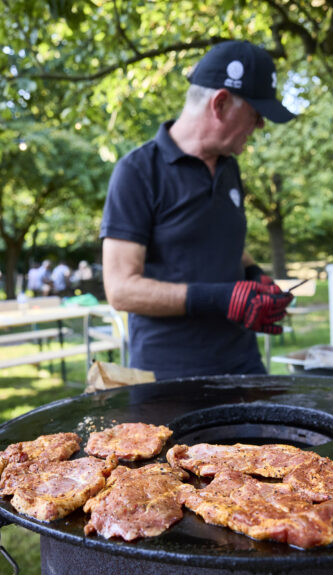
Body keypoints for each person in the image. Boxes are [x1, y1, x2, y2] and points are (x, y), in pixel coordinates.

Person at [101, 40, 295, 380]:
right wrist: (219, 298)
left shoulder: (229, 167)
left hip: (243, 364)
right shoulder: (137, 172)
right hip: (170, 375)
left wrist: (254, 275)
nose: (260, 126)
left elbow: (219, 236)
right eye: (256, 113)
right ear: (220, 103)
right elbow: (120, 289)